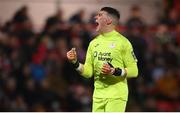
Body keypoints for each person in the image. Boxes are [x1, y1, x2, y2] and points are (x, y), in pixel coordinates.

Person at [66, 7, 138, 112]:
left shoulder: (123, 43)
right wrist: (75, 63)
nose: (96, 17)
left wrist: (114, 71)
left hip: (116, 96)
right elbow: (88, 72)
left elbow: (134, 71)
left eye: (100, 15)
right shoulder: (93, 43)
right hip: (98, 96)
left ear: (109, 20)